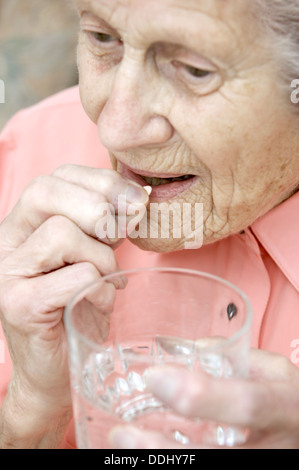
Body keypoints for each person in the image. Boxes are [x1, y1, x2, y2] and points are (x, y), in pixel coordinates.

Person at [0, 0, 299, 449]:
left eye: (194, 69)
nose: (114, 131)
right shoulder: (28, 152)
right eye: (103, 39)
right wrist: (31, 414)